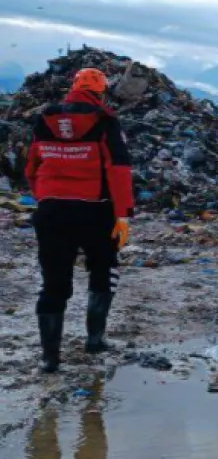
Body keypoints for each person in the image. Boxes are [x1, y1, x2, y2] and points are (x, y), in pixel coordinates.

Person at [24, 68, 135, 373]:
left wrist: (44, 196)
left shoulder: (45, 118)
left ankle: (50, 358)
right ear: (101, 91)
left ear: (73, 87)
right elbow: (119, 169)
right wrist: (123, 214)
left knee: (53, 282)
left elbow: (32, 164)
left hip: (51, 212)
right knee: (104, 270)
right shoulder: (105, 120)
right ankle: (95, 340)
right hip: (96, 211)